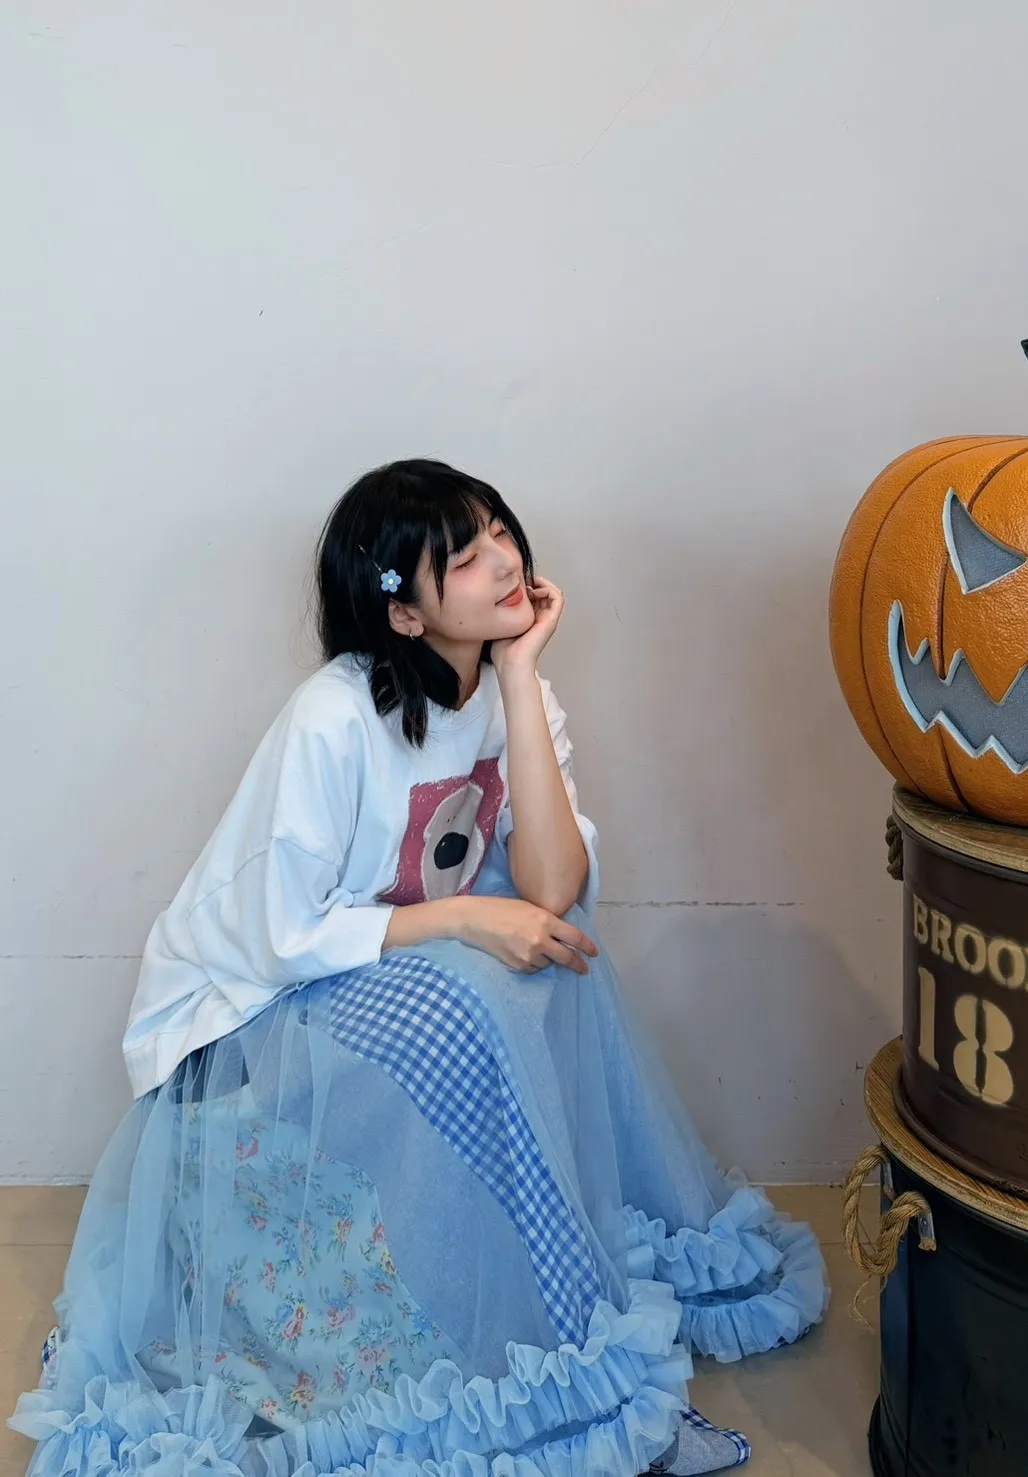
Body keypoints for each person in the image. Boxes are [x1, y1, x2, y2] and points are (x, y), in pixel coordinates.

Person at [11, 460, 828, 1477]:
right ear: (404, 613)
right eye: (467, 556)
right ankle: (558, 1366)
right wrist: (469, 916)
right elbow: (281, 931)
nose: (506, 561)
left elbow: (554, 885)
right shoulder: (332, 715)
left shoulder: (513, 692)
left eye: (499, 532)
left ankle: (544, 1299)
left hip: (383, 972)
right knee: (470, 995)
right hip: (248, 1008)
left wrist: (521, 677)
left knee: (561, 963)